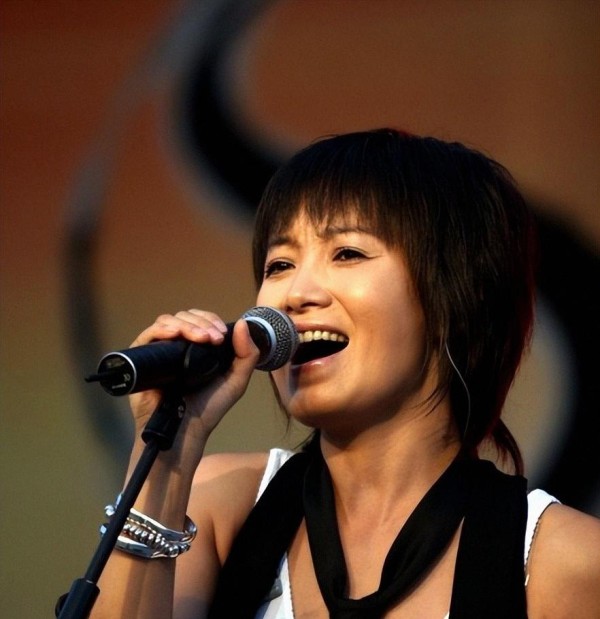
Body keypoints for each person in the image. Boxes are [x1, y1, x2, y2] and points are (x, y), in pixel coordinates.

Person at [89, 129, 600, 618]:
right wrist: (166, 457)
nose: (296, 294)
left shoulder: (563, 560)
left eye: (348, 253)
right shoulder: (222, 504)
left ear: (456, 300)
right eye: (279, 265)